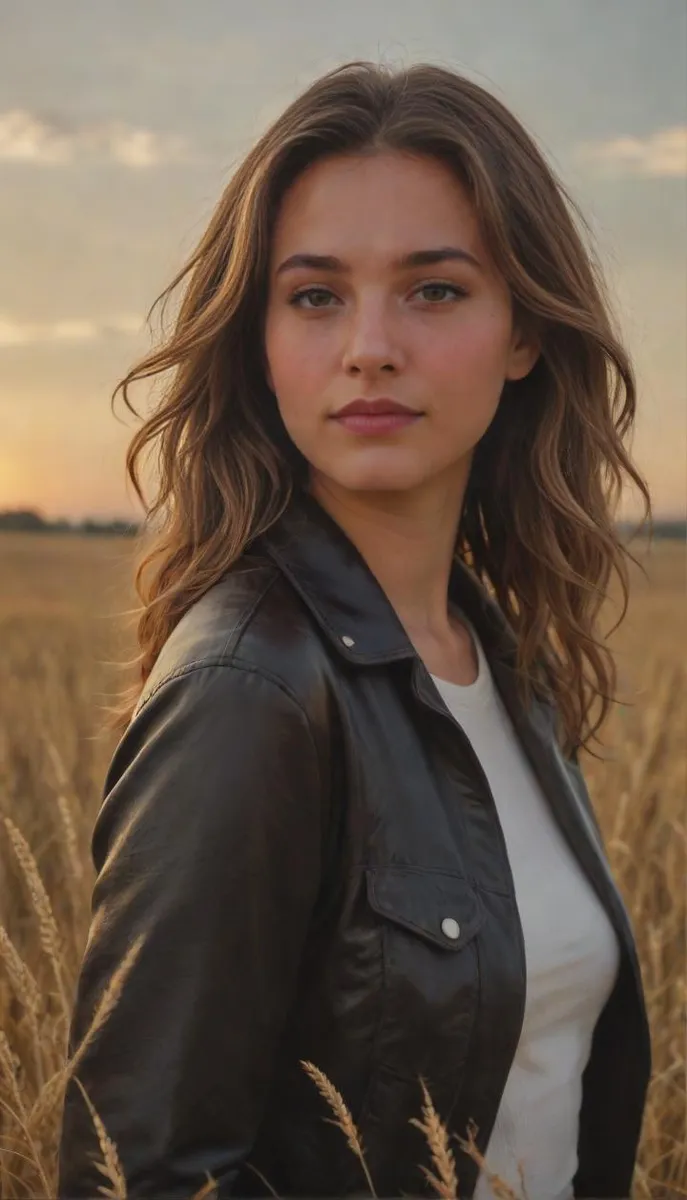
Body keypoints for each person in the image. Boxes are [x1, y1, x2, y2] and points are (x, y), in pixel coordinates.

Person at [57, 60, 653, 1200]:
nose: (369, 345)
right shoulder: (253, 688)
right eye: (317, 295)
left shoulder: (499, 662)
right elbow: (146, 1175)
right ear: (262, 340)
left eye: (433, 290)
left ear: (524, 332)